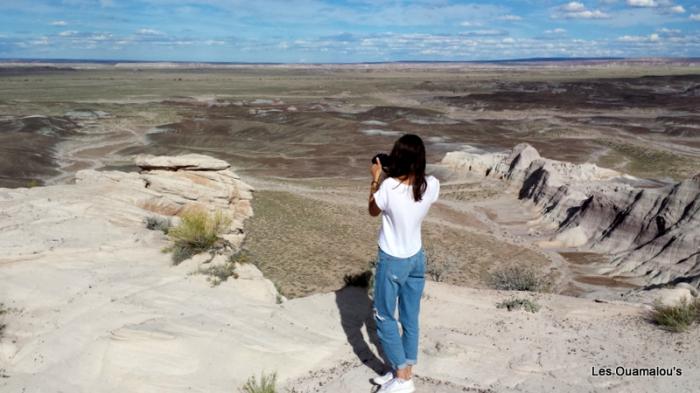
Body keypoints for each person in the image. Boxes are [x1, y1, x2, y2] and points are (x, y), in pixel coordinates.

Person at [368, 134, 440, 393]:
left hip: (393, 259)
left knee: (384, 316)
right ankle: (405, 368)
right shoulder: (431, 185)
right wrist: (396, 173)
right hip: (416, 258)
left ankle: (402, 378)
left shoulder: (388, 188)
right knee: (410, 316)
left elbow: (372, 210)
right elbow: (412, 189)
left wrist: (376, 177)